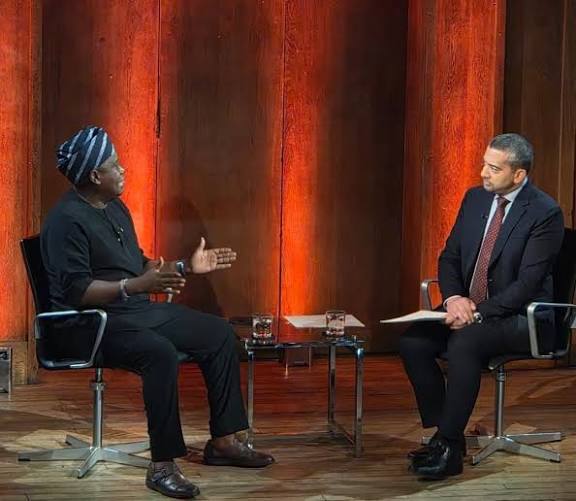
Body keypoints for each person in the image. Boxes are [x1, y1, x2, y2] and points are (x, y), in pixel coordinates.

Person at [41, 126, 274, 499]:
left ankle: (224, 442)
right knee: (159, 353)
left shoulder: (114, 207)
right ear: (95, 175)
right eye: (115, 165)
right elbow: (78, 292)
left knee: (218, 333)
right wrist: (135, 286)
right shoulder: (66, 220)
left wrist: (184, 267)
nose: (123, 170)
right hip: (88, 324)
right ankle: (162, 465)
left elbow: (139, 265)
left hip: (131, 310)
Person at [399, 133, 564, 480]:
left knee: (465, 341)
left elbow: (527, 285)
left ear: (518, 174)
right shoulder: (475, 198)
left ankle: (448, 447)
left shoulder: (544, 212)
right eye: (484, 164)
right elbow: (450, 257)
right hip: (470, 308)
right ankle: (446, 435)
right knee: (414, 341)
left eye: (493, 168)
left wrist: (475, 312)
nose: (483, 173)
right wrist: (454, 299)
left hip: (523, 317)